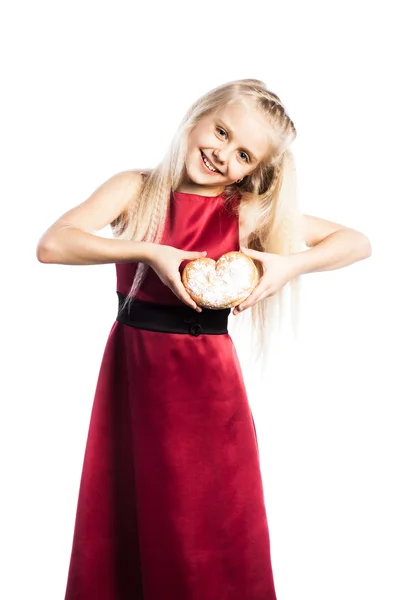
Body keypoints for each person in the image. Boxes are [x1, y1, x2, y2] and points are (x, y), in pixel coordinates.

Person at [36, 78, 371, 600]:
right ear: (198, 115)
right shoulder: (136, 189)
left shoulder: (245, 211)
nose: (222, 155)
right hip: (135, 371)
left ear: (253, 171)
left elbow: (357, 242)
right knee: (127, 507)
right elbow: (53, 245)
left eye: (242, 155)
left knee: (205, 520)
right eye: (221, 131)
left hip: (208, 388)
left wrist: (289, 266)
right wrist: (150, 253)